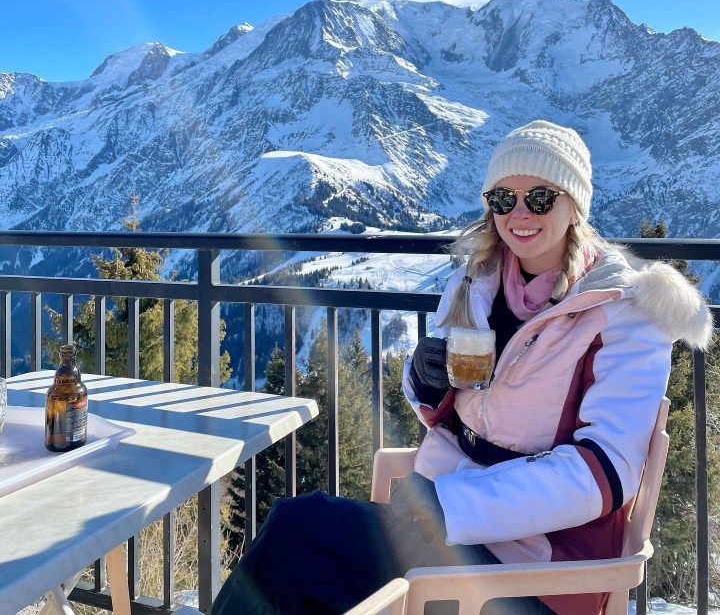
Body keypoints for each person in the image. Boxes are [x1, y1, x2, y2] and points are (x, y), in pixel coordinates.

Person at [212, 120, 712, 615]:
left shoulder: (625, 312)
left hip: (538, 569)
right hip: (447, 528)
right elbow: (457, 411)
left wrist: (450, 505)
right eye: (503, 198)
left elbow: (604, 471)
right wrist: (425, 381)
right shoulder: (475, 282)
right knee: (298, 535)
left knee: (302, 546)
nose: (519, 213)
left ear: (575, 205)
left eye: (540, 198)